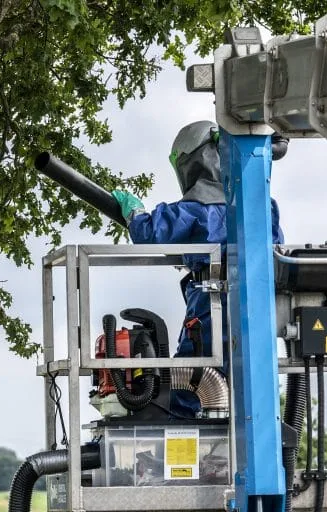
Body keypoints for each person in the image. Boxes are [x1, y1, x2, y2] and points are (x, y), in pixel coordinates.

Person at [110, 120, 286, 417]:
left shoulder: (195, 208)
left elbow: (150, 233)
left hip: (211, 310)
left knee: (190, 384)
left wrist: (134, 211)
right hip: (259, 312)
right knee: (249, 391)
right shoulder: (262, 207)